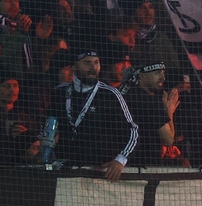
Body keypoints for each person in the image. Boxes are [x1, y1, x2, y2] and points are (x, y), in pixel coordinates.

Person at [46, 48, 138, 181]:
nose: (93, 68)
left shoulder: (110, 94)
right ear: (73, 67)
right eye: (86, 63)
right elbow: (49, 125)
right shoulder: (60, 92)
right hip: (66, 171)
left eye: (96, 62)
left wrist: (120, 159)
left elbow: (133, 130)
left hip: (100, 174)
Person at [120, 61, 182, 166]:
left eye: (163, 73)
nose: (163, 77)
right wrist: (169, 112)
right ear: (142, 76)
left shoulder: (123, 96)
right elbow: (168, 140)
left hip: (120, 164)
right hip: (144, 167)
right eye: (157, 73)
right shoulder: (150, 102)